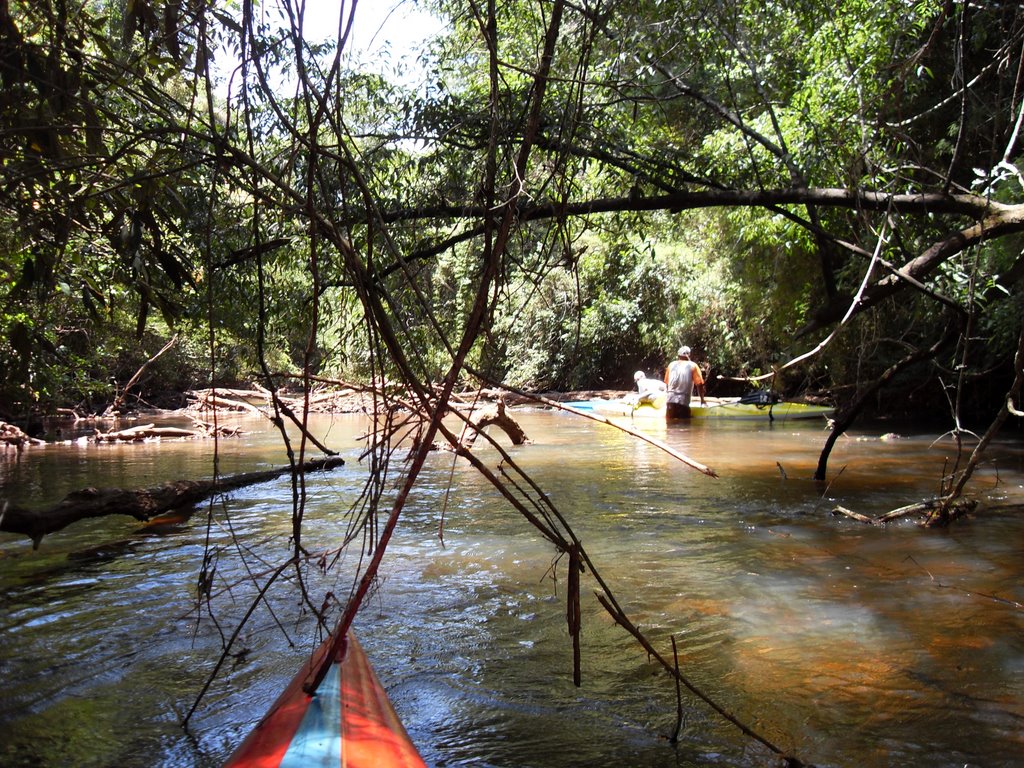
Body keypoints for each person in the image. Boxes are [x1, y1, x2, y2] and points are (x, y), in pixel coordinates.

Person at [664, 345, 706, 420]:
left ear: (678, 355)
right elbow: (699, 385)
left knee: (670, 427)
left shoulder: (671, 365)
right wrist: (702, 401)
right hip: (683, 402)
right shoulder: (693, 366)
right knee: (684, 425)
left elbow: (667, 384)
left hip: (670, 401)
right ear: (689, 355)